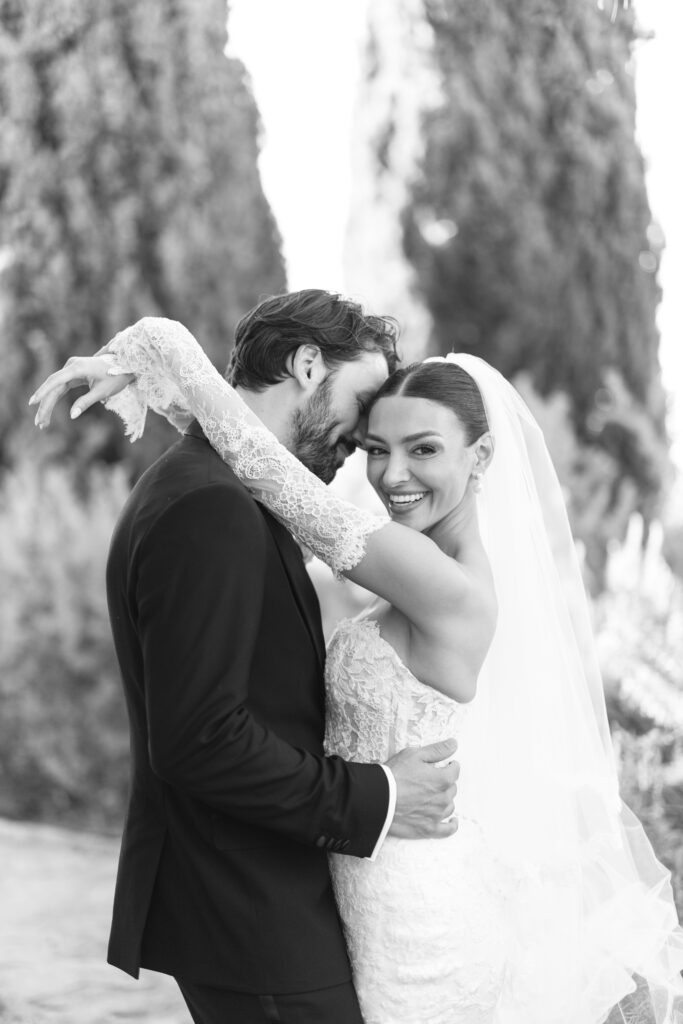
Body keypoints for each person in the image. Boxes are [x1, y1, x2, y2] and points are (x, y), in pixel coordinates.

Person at [32, 314, 683, 1023]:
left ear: (481, 456)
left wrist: (158, 346)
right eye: (374, 443)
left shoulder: (446, 584)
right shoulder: (400, 568)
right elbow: (247, 460)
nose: (387, 472)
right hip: (348, 887)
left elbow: (264, 464)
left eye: (423, 448)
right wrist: (169, 390)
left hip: (412, 902)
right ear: (309, 366)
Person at [30, 292, 461, 1024]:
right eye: (360, 404)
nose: (361, 439)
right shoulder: (211, 505)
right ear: (304, 364)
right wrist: (379, 796)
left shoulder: (217, 486)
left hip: (263, 900)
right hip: (249, 910)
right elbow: (200, 738)